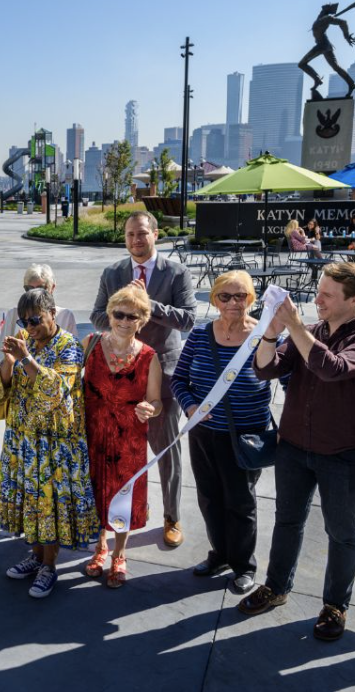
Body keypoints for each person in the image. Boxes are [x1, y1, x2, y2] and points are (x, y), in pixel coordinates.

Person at [241, 262, 355, 641]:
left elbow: (331, 368)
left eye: (327, 294)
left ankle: (335, 605)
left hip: (343, 454)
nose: (317, 299)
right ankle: (276, 587)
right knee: (287, 521)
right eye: (318, 290)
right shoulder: (311, 331)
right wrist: (271, 335)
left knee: (341, 532)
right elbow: (266, 369)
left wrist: (294, 326)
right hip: (293, 447)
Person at [91, 210, 197, 547]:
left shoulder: (176, 272)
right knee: (116, 454)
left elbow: (189, 320)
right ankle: (114, 515)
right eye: (130, 234)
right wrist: (123, 314)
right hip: (119, 380)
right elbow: (97, 317)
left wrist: (147, 305)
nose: (136, 240)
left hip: (161, 378)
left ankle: (171, 516)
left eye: (141, 233)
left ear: (155, 234)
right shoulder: (113, 273)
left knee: (166, 453)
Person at [0, 288, 99, 599]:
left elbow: (56, 390)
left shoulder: (69, 346)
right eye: (24, 321)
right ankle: (36, 556)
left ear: (52, 313)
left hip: (55, 445)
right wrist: (9, 361)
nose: (30, 326)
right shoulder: (26, 341)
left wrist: (25, 358)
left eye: (35, 319)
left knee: (50, 504)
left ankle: (49, 565)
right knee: (31, 501)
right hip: (23, 439)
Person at [172, 272, 273, 595]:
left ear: (251, 299)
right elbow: (178, 380)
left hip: (245, 436)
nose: (233, 303)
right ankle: (220, 554)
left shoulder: (264, 336)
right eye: (225, 296)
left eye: (240, 296)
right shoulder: (200, 335)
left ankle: (244, 565)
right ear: (214, 300)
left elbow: (287, 379)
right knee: (209, 497)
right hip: (204, 433)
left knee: (240, 502)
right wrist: (190, 407)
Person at [82, 284, 162, 588]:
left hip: (128, 438)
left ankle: (119, 553)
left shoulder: (149, 357)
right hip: (92, 433)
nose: (124, 321)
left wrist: (149, 409)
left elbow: (156, 402)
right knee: (94, 491)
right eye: (119, 314)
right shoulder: (90, 343)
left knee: (123, 498)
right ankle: (99, 546)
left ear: (142, 321)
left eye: (132, 316)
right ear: (109, 314)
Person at [0, 264, 77, 364]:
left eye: (41, 288)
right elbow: (3, 356)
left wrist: (26, 359)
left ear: (52, 288)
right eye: (29, 289)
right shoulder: (13, 314)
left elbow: (71, 357)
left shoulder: (65, 316)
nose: (35, 294)